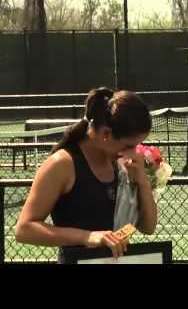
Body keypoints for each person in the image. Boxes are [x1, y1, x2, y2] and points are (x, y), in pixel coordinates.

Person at [15, 87, 158, 263]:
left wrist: (142, 180)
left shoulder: (120, 164)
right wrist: (87, 237)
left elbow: (148, 226)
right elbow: (24, 229)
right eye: (128, 145)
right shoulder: (62, 164)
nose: (134, 152)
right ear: (106, 133)